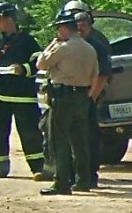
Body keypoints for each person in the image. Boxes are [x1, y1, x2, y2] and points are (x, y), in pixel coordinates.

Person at [0, 1, 45, 179]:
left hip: (23, 97)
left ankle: (38, 167)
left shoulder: (28, 41)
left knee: (31, 132)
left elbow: (38, 63)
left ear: (9, 19)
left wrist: (23, 69)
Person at [37, 10, 98, 195]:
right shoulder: (89, 48)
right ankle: (83, 181)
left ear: (64, 29)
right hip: (82, 97)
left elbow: (41, 63)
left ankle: (61, 182)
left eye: (57, 29)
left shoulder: (63, 47)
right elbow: (95, 75)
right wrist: (89, 95)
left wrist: (53, 44)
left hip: (63, 97)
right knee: (80, 141)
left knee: (59, 140)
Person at [75, 10, 111, 187]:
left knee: (90, 136)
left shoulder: (97, 46)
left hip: (91, 96)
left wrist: (92, 96)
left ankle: (91, 174)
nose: (80, 29)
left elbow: (103, 74)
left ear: (90, 27)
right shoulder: (70, 45)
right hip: (73, 96)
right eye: (77, 26)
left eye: (84, 25)